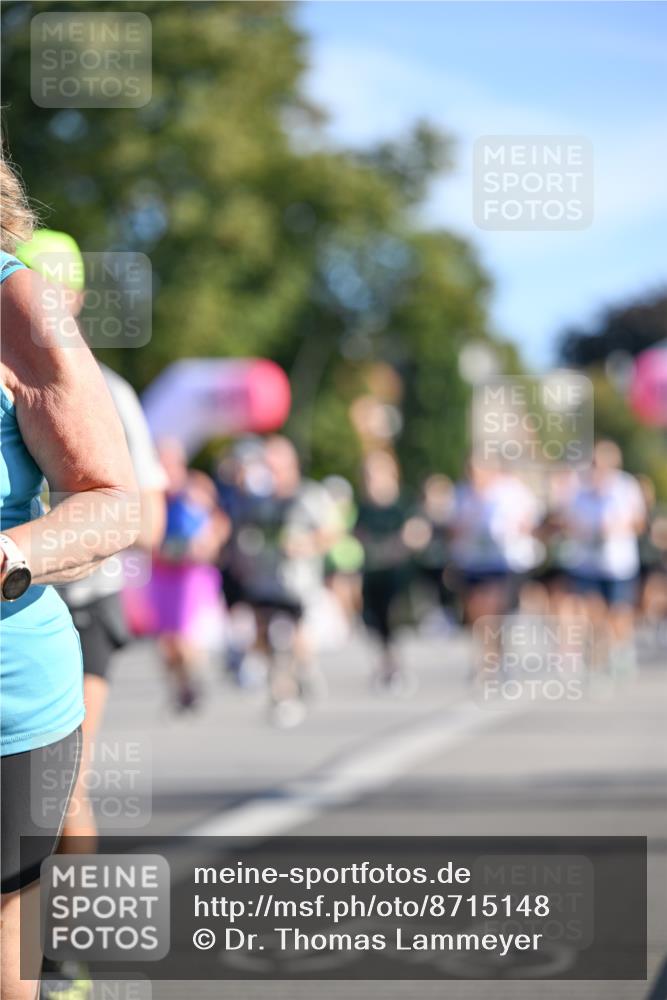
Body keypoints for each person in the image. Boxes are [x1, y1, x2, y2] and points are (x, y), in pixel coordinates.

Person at [0, 155, 139, 1000]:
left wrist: (12, 555)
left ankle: (72, 950)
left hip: (9, 698)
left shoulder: (17, 304)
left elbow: (116, 502)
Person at [222, 436, 338, 726]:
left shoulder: (309, 496)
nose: (270, 470)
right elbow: (242, 533)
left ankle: (293, 683)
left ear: (291, 464)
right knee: (266, 636)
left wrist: (307, 544)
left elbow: (331, 532)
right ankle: (282, 693)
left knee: (290, 637)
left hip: (297, 583)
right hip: (263, 581)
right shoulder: (257, 500)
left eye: (275, 464)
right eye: (266, 464)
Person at [560, 440, 646, 673]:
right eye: (596, 463)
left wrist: (619, 527)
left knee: (618, 611)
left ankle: (621, 649)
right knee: (592, 608)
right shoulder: (580, 489)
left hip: (618, 563)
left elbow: (640, 523)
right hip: (588, 562)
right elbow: (568, 521)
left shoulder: (626, 487)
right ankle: (598, 651)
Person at [355, 451, 414, 690]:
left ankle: (395, 666)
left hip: (395, 572)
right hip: (371, 572)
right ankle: (384, 665)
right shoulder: (363, 508)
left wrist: (398, 544)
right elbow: (356, 534)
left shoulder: (402, 504)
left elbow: (414, 533)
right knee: (373, 621)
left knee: (393, 619)